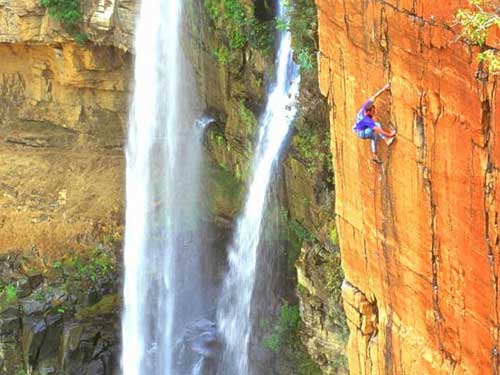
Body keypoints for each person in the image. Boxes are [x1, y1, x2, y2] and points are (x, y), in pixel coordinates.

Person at [353, 83, 396, 163]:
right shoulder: (367, 120)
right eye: (373, 112)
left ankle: (375, 156)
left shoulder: (365, 106)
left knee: (374, 138)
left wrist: (384, 88)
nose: (374, 112)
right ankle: (387, 140)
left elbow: (374, 96)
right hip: (362, 133)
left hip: (359, 129)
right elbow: (378, 129)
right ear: (368, 112)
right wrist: (390, 135)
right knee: (377, 125)